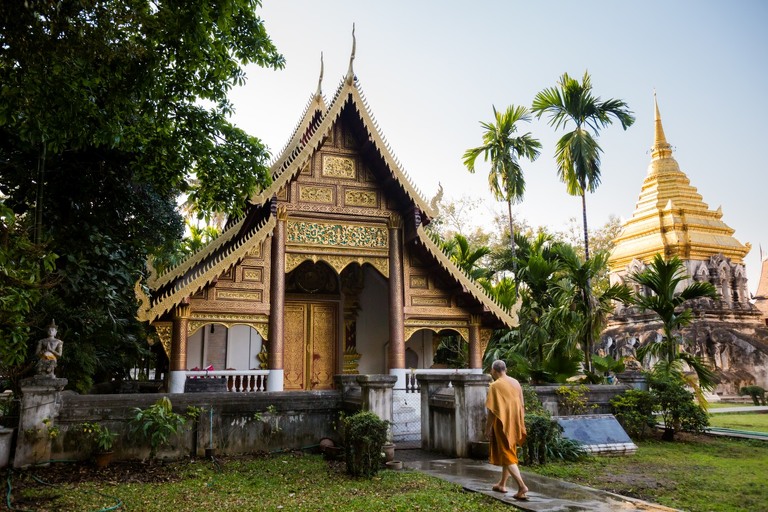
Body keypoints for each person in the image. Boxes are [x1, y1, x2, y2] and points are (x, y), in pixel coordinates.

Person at [485, 359, 529, 500]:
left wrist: (487, 428)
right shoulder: (515, 382)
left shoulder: (495, 386)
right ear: (506, 369)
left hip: (502, 423)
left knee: (507, 454)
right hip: (514, 421)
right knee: (509, 452)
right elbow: (522, 404)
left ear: (494, 371)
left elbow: (492, 411)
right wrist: (520, 422)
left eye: (491, 370)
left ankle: (522, 486)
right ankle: (502, 484)